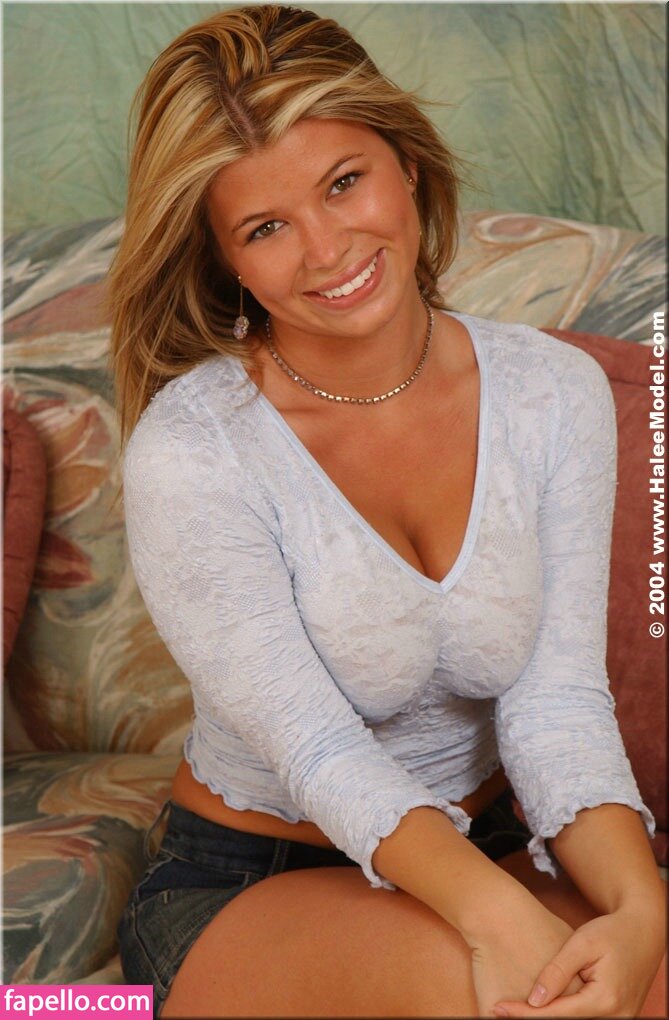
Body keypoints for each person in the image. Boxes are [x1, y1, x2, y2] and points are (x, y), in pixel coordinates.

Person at [110, 6, 666, 1018]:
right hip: (254, 877)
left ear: (406, 163)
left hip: (490, 846)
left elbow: (557, 708)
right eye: (266, 227)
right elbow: (320, 754)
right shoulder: (195, 451)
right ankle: (66, 1007)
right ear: (226, 260)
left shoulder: (553, 391)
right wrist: (498, 919)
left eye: (343, 182)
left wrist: (641, 911)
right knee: (513, 999)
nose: (327, 249)